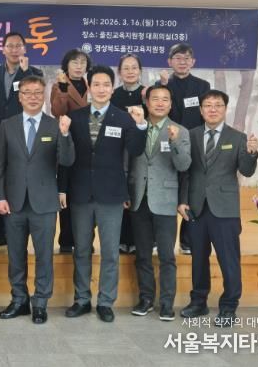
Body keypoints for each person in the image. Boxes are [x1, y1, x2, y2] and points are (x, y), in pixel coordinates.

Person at [62, 65, 147, 323]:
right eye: (96, 84)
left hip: (111, 195)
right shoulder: (75, 117)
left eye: (106, 85)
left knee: (110, 252)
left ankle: (106, 302)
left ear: (113, 88)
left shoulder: (123, 118)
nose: (101, 89)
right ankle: (82, 299)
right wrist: (62, 189)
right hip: (80, 193)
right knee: (81, 250)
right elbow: (66, 159)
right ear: (89, 87)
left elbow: (135, 150)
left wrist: (141, 125)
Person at [0, 75, 74, 325]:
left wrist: (65, 135)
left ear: (44, 96)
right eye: (27, 93)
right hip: (14, 202)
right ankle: (19, 300)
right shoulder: (7, 125)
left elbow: (67, 160)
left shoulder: (55, 125)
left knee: (44, 256)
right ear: (19, 97)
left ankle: (40, 303)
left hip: (45, 203)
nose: (32, 97)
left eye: (38, 93)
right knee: (16, 255)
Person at [178, 90, 258, 328]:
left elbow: (247, 171)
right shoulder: (191, 135)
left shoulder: (238, 137)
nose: (212, 109)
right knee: (198, 259)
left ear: (225, 109)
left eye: (218, 105)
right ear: (201, 110)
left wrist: (251, 152)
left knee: (229, 259)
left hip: (225, 209)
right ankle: (198, 302)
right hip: (196, 208)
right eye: (208, 105)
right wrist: (182, 200)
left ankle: (229, 306)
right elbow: (186, 172)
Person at [127, 85, 191, 321]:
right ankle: (145, 299)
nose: (160, 103)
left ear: (171, 104)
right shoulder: (136, 126)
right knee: (143, 255)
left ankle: (166, 304)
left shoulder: (180, 131)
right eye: (155, 99)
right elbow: (127, 161)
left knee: (166, 256)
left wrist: (174, 142)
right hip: (138, 199)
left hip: (165, 200)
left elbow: (184, 166)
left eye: (165, 99)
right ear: (147, 102)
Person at [0, 32, 43, 249]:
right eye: (10, 46)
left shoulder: (34, 73)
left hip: (23, 134)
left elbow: (35, 98)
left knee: (19, 177)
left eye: (18, 46)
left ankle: (18, 231)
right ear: (3, 49)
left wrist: (26, 73)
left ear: (24, 49)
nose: (14, 50)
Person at [159, 43, 211, 254]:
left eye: (186, 58)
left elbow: (206, 114)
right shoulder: (162, 85)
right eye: (178, 58)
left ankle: (188, 240)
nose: (182, 62)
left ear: (193, 62)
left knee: (192, 188)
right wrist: (162, 84)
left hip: (194, 142)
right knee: (164, 184)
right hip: (167, 139)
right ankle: (159, 240)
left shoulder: (202, 86)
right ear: (169, 62)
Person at [50, 48, 92, 253]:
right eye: (75, 62)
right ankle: (66, 239)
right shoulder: (59, 85)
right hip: (68, 141)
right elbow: (57, 111)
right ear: (66, 65)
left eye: (83, 62)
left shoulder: (91, 84)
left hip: (89, 144)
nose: (79, 66)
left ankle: (86, 240)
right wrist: (63, 89)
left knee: (87, 193)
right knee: (65, 190)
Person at [111, 53, 148, 254]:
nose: (130, 71)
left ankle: (137, 240)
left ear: (140, 71)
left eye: (134, 67)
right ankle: (121, 239)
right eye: (126, 68)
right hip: (118, 150)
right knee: (121, 192)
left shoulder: (147, 93)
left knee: (138, 192)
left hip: (142, 149)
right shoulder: (114, 95)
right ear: (119, 72)